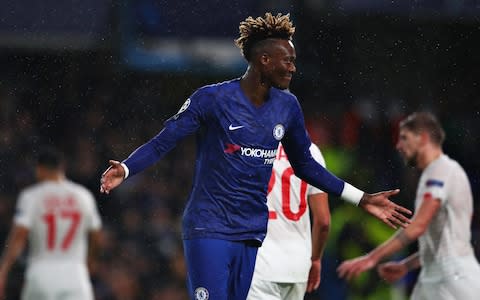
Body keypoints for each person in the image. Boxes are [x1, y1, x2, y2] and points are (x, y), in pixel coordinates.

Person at [100, 12, 411, 300]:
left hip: (250, 232)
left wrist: (362, 198)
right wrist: (126, 168)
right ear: (264, 60)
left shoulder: (287, 107)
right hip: (210, 227)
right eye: (287, 60)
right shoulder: (212, 98)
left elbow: (305, 165)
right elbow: (163, 142)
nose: (293, 67)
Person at [337, 112, 480, 300]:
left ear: (423, 139)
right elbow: (442, 243)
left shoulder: (439, 174)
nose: (399, 145)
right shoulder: (441, 173)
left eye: (404, 138)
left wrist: (372, 258)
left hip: (453, 279)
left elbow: (418, 226)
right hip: (439, 276)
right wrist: (406, 265)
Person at [0, 146, 102, 300]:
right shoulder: (83, 196)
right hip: (75, 275)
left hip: (41, 273)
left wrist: (4, 269)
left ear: (39, 170)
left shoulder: (31, 197)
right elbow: (96, 236)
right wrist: (90, 262)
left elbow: (19, 236)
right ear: (62, 168)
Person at [247, 142, 330, 299]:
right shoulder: (311, 151)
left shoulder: (251, 144)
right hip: (298, 265)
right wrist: (316, 259)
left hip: (260, 264)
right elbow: (323, 221)